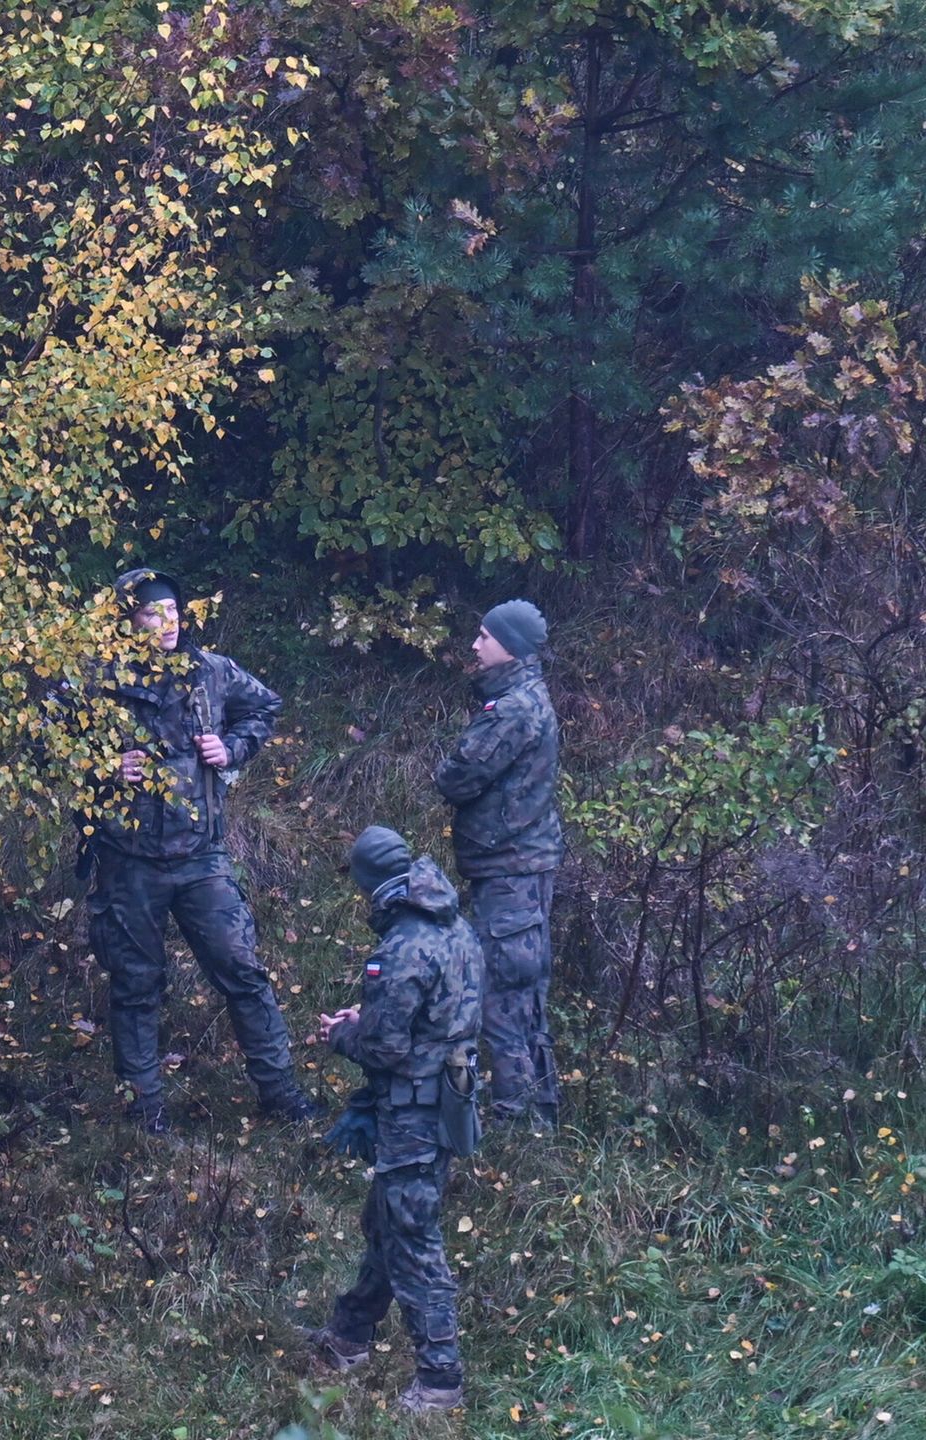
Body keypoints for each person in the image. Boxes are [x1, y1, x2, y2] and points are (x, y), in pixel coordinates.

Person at [76, 567, 319, 1135]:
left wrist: (231, 748)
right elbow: (42, 743)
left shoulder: (210, 671)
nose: (167, 623)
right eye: (152, 613)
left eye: (174, 612)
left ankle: (281, 1095)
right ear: (127, 620)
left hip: (201, 858)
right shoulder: (95, 681)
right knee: (136, 985)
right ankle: (144, 1111)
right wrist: (102, 766)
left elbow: (264, 707)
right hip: (128, 860)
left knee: (242, 971)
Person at [306, 826, 482, 1413]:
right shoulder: (455, 927)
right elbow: (443, 1015)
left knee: (410, 1236)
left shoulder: (401, 947)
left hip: (414, 1110)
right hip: (449, 1099)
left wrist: (343, 1034)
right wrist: (372, 1020)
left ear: (367, 881)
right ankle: (349, 1335)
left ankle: (440, 1379)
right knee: (386, 1220)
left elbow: (383, 1049)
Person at [433, 599, 563, 1128]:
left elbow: (456, 777)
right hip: (518, 866)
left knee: (504, 997)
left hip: (511, 870)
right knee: (526, 997)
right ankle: (539, 1117)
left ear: (510, 645)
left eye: (484, 637)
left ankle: (519, 1122)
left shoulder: (512, 709)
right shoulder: (525, 699)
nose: (475, 645)